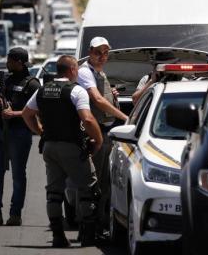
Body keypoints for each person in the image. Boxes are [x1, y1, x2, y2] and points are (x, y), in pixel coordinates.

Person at [22, 55, 103, 247]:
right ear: (73, 70)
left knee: (54, 192)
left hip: (50, 147)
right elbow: (88, 119)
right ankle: (88, 236)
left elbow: (27, 114)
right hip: (72, 146)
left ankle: (58, 236)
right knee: (88, 189)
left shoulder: (42, 91)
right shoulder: (76, 91)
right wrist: (98, 140)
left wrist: (40, 131)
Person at [0, 47, 40, 227]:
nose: (7, 63)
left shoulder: (32, 84)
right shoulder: (6, 80)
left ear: (19, 62)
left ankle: (15, 214)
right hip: (0, 132)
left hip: (20, 133)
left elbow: (37, 111)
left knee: (18, 175)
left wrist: (15, 114)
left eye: (10, 60)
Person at [77, 36, 128, 236]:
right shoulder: (85, 72)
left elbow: (102, 96)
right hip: (95, 131)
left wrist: (111, 94)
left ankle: (99, 225)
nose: (102, 56)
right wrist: (126, 117)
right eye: (98, 52)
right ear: (90, 52)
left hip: (105, 131)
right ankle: (92, 228)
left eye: (106, 52)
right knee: (96, 183)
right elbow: (97, 100)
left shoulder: (98, 73)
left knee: (104, 182)